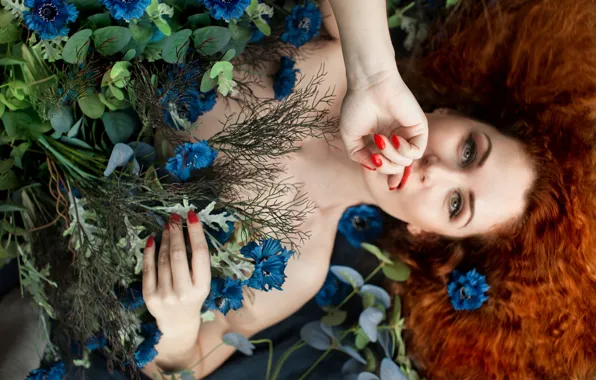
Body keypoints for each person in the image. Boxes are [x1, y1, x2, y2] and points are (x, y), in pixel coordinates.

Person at [143, 0, 595, 379]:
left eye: (456, 204)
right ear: (451, 110)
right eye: (469, 151)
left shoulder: (295, 266)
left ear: (425, 233)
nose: (433, 170)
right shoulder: (350, 51)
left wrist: (179, 323)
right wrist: (374, 74)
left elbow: (186, 366)